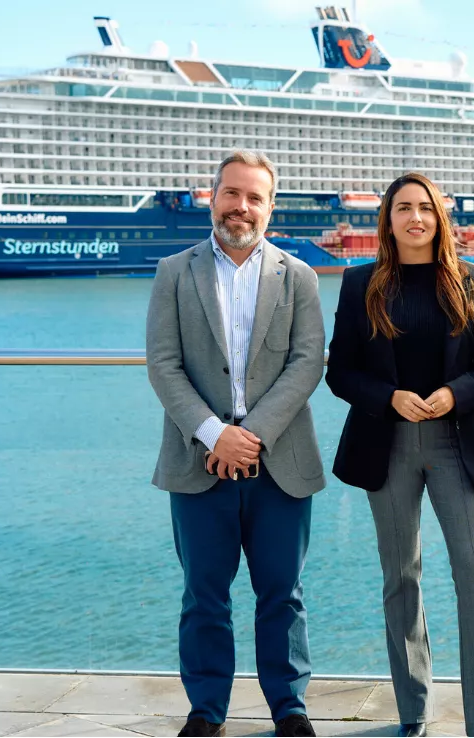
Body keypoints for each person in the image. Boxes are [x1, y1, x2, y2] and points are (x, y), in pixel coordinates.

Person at [146, 150, 326, 738]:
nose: (240, 207)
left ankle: (289, 708)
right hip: (197, 460)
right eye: (231, 193)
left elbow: (307, 363)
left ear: (270, 207)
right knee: (203, 594)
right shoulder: (174, 272)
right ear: (212, 197)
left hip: (279, 462)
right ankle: (207, 711)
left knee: (283, 593)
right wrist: (214, 434)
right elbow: (163, 365)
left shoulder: (299, 276)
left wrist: (250, 437)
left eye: (254, 197)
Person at [326, 172, 474, 738]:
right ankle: (414, 711)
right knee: (400, 575)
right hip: (386, 444)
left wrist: (455, 393)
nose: (416, 217)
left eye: (425, 207)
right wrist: (389, 398)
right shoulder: (359, 284)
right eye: (403, 207)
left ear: (440, 217)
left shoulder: (473, 280)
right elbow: (340, 372)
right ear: (388, 218)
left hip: (455, 441)